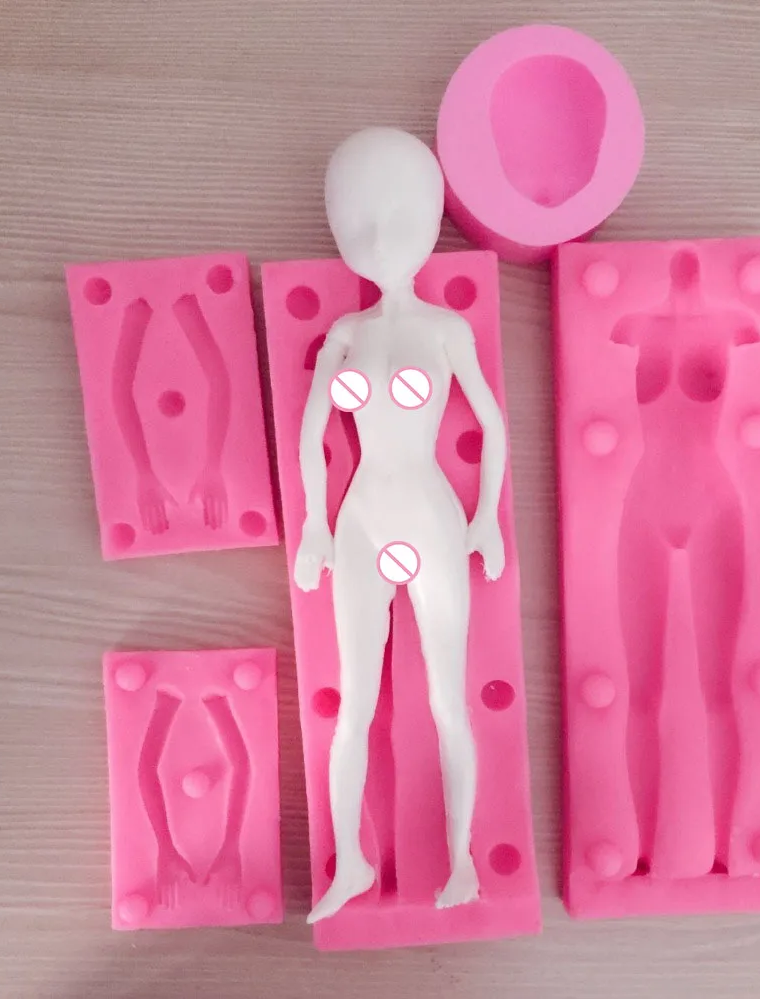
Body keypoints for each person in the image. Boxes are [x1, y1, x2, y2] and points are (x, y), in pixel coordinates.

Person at [294, 128, 507, 923]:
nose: (382, 241)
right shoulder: (343, 337)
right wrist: (315, 524)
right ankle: (350, 861)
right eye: (360, 225)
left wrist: (485, 516)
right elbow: (313, 434)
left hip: (432, 515)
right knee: (355, 704)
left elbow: (491, 424)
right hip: (360, 521)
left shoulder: (448, 330)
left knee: (448, 700)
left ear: (432, 224)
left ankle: (461, 858)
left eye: (401, 222)